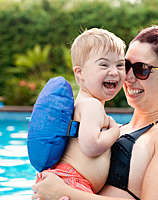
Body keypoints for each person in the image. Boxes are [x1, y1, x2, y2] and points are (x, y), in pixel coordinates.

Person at [32, 13, 158, 200]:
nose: (127, 77)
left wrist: (64, 193)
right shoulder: (112, 128)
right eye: (126, 65)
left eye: (142, 69)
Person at [35, 28, 127, 194]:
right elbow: (91, 146)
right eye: (104, 64)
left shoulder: (82, 104)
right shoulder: (92, 105)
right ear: (80, 73)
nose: (114, 71)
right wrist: (115, 132)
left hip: (66, 179)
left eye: (120, 65)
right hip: (73, 183)